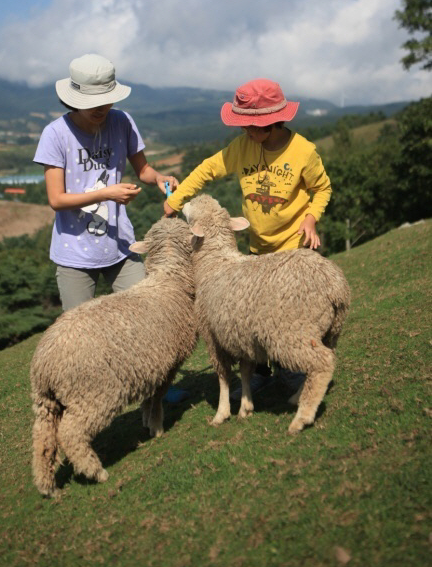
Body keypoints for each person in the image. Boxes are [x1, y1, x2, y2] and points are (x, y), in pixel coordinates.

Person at [163, 78, 332, 396]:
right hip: (257, 246)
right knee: (254, 310)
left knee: (287, 310)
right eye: (244, 126)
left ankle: (293, 368)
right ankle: (260, 371)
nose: (247, 132)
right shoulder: (242, 148)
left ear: (272, 122)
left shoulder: (303, 152)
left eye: (253, 127)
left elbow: (322, 188)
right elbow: (206, 170)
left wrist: (310, 218)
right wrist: (175, 200)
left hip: (292, 245)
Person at [34, 53, 178, 311]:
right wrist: (107, 194)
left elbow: (143, 169)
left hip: (121, 243)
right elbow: (56, 199)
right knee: (79, 332)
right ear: (74, 100)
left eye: (107, 101)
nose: (102, 108)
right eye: (93, 102)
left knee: (146, 312)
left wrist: (159, 178)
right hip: (74, 251)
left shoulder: (122, 121)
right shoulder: (55, 134)